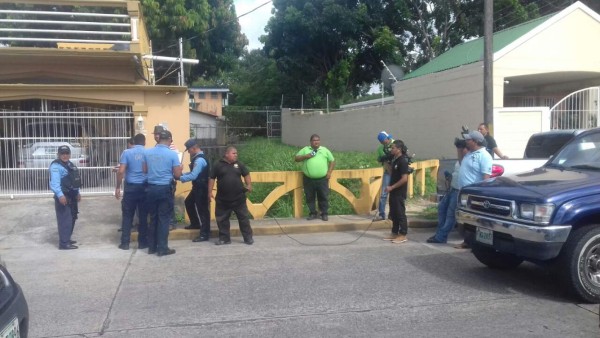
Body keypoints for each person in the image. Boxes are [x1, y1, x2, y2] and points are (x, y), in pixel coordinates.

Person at [144, 130, 182, 256]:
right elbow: (177, 175)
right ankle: (162, 248)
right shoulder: (172, 154)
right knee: (164, 219)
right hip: (165, 189)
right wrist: (179, 169)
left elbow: (144, 170)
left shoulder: (148, 152)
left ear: (158, 138)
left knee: (153, 218)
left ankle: (152, 247)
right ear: (170, 140)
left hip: (150, 188)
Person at [454, 130, 493, 249]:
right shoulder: (470, 153)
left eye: (468, 140)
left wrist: (482, 194)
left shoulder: (484, 156)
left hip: (474, 193)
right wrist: (459, 149)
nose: (466, 142)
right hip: (463, 191)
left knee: (474, 218)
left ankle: (474, 242)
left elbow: (486, 177)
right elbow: (461, 163)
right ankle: (467, 241)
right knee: (465, 217)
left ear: (475, 141)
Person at [208, 146, 254, 245]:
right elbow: (211, 178)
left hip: (239, 198)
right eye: (234, 153)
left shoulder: (239, 164)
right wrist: (209, 191)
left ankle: (248, 238)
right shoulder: (217, 165)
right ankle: (224, 238)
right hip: (222, 199)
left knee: (244, 219)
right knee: (222, 220)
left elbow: (246, 174)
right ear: (227, 154)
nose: (236, 155)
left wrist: (249, 184)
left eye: (236, 153)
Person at [427, 138, 469, 244]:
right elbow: (457, 173)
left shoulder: (467, 160)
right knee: (442, 208)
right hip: (452, 189)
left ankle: (441, 236)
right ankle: (440, 233)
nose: (459, 152)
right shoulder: (459, 161)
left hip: (459, 190)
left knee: (451, 214)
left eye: (461, 149)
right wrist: (450, 176)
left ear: (466, 150)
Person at [115, 133, 148, 250]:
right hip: (144, 187)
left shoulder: (127, 153)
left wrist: (118, 187)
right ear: (144, 142)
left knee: (127, 215)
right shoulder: (148, 153)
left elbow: (120, 171)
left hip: (130, 188)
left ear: (133, 142)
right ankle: (143, 243)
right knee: (143, 216)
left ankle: (125, 243)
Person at [294, 134, 336, 221]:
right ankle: (313, 213)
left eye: (318, 140)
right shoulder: (305, 149)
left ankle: (324, 213)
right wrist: (306, 156)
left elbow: (332, 161)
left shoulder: (324, 150)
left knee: (323, 196)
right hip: (308, 179)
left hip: (322, 179)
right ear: (311, 142)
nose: (316, 142)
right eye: (314, 140)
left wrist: (329, 172)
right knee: (310, 197)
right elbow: (296, 158)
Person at [49, 145, 81, 250]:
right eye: (63, 154)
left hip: (72, 195)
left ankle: (67, 238)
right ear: (58, 155)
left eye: (67, 153)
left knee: (72, 217)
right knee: (65, 220)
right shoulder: (55, 166)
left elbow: (74, 180)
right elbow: (54, 183)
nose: (65, 155)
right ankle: (63, 243)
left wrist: (78, 192)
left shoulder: (70, 164)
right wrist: (60, 195)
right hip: (63, 196)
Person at [179, 139, 211, 242]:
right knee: (188, 202)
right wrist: (182, 175)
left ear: (194, 148)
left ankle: (205, 234)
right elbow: (192, 173)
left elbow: (193, 175)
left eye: (189, 149)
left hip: (201, 187)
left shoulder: (199, 160)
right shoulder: (197, 159)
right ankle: (195, 223)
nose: (188, 152)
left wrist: (180, 178)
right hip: (198, 187)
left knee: (203, 210)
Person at [382, 140, 410, 244]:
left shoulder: (403, 161)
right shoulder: (395, 160)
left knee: (400, 213)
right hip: (393, 191)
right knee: (393, 213)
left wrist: (392, 187)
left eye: (393, 148)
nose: (391, 149)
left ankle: (403, 234)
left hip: (399, 192)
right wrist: (386, 164)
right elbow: (392, 173)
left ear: (399, 149)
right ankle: (394, 232)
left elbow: (404, 178)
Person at [152, 125, 180, 230]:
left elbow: (176, 163)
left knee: (169, 203)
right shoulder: (156, 146)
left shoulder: (171, 147)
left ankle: (171, 222)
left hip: (169, 179)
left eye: (158, 134)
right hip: (159, 180)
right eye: (155, 134)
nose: (156, 136)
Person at [375, 131, 394, 221]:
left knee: (395, 195)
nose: (384, 143)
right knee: (384, 194)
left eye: (385, 141)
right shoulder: (380, 149)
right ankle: (382, 214)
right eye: (382, 142)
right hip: (387, 171)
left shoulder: (395, 144)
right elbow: (382, 160)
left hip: (397, 172)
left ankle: (392, 214)